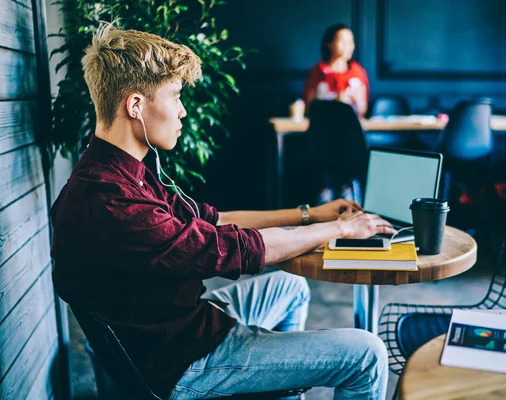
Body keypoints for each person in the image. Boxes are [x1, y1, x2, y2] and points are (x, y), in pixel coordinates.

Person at [50, 24, 394, 400]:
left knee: (290, 287)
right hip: (184, 361)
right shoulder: (115, 203)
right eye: (176, 96)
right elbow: (240, 248)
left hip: (186, 321)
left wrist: (311, 213)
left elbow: (215, 221)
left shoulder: (118, 173)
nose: (182, 111)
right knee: (367, 354)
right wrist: (341, 229)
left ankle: (278, 391)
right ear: (135, 105)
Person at [303, 23, 369, 117]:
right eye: (343, 42)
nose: (348, 46)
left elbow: (363, 109)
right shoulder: (317, 72)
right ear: (329, 43)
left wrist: (353, 100)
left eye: (351, 42)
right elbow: (308, 108)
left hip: (350, 126)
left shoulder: (357, 72)